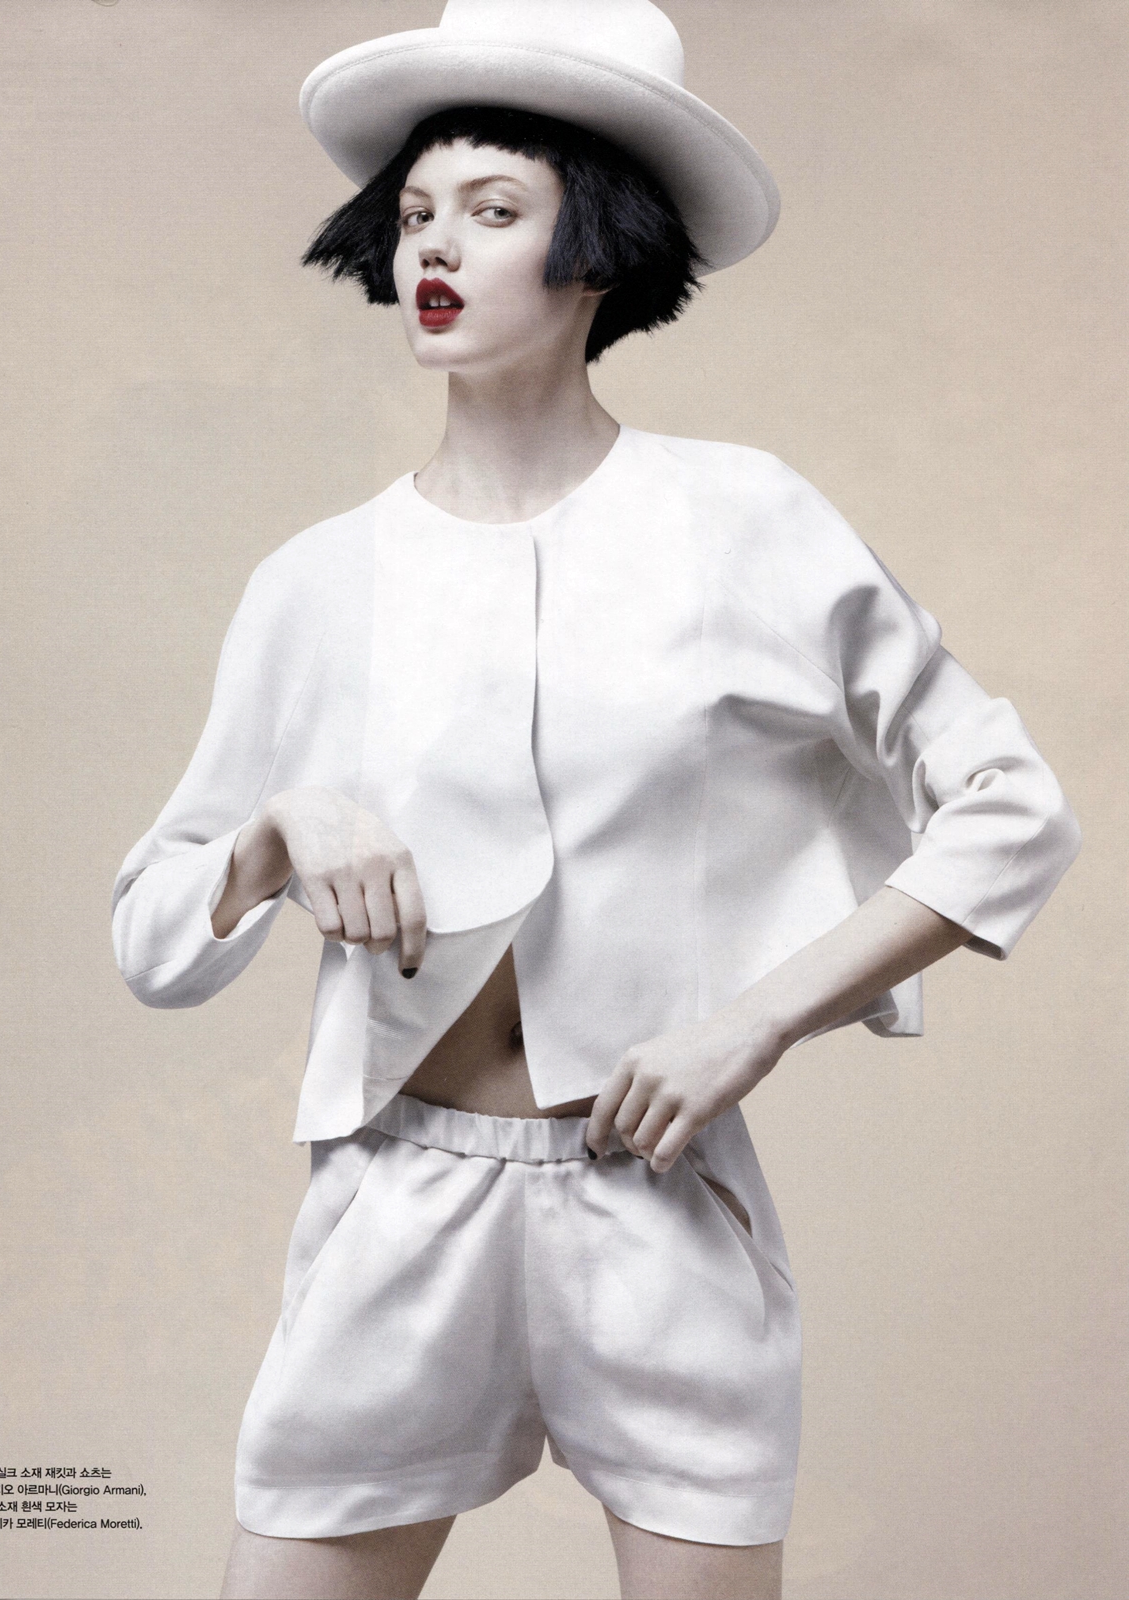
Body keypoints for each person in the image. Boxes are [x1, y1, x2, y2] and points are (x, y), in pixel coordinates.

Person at [110, 4, 1081, 1598]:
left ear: (599, 253)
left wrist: (753, 1021)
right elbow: (152, 934)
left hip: (660, 1209)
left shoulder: (745, 522)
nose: (437, 245)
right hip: (396, 1207)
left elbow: (1011, 804)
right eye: (416, 213)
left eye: (495, 211)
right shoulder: (318, 582)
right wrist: (277, 833)